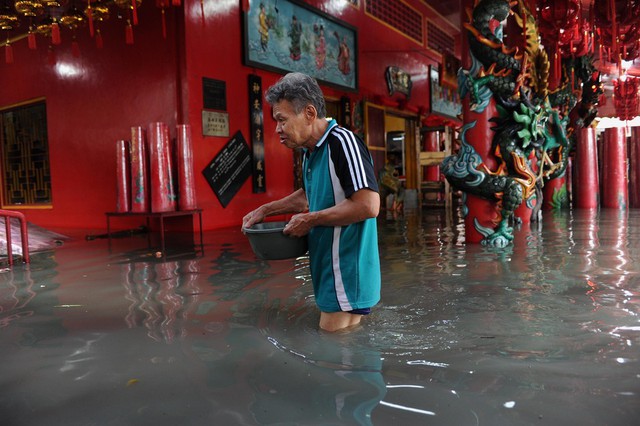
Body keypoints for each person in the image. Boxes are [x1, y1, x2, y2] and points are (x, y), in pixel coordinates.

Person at [242, 72, 381, 332]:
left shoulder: (342, 143)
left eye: (282, 120)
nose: (277, 129)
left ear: (308, 113)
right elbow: (308, 195)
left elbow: (369, 205)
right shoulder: (311, 151)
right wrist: (266, 210)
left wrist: (310, 220)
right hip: (332, 268)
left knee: (333, 351)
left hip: (346, 269)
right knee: (348, 342)